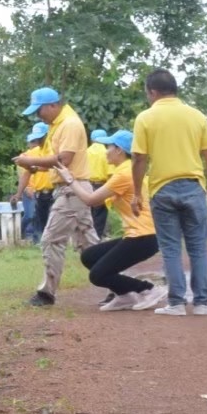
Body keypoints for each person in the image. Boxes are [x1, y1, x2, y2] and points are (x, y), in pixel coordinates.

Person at [128, 68, 207, 316]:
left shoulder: (145, 118)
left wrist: (136, 193)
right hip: (193, 187)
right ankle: (202, 303)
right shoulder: (196, 116)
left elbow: (139, 158)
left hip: (162, 189)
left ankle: (177, 303)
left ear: (152, 92)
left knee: (171, 248)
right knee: (198, 248)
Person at [57, 131, 160, 310]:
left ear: (119, 150)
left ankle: (148, 289)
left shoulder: (124, 174)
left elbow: (91, 200)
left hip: (144, 237)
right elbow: (99, 200)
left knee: (97, 275)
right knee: (89, 257)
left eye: (109, 147)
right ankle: (125, 295)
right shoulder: (126, 171)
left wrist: (70, 180)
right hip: (139, 235)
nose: (106, 151)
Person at [14, 87, 94, 307]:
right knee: (88, 245)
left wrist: (31, 162)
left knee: (51, 239)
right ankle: (121, 284)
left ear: (53, 105)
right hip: (73, 187)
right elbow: (58, 163)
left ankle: (46, 293)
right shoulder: (59, 124)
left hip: (72, 189)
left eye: (39, 110)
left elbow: (64, 159)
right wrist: (37, 168)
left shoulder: (69, 124)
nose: (38, 116)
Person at [15, 123, 53, 242]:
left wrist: (36, 167)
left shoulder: (53, 150)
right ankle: (38, 241)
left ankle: (50, 242)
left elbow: (53, 165)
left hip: (55, 191)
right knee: (36, 218)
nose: (37, 142)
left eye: (39, 139)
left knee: (52, 220)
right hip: (38, 192)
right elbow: (26, 173)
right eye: (34, 140)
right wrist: (19, 193)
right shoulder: (30, 154)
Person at [84, 127, 112, 240]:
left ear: (92, 140)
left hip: (86, 185)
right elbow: (110, 172)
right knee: (100, 214)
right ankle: (97, 238)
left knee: (88, 214)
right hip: (102, 185)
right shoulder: (107, 152)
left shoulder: (86, 152)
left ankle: (87, 238)